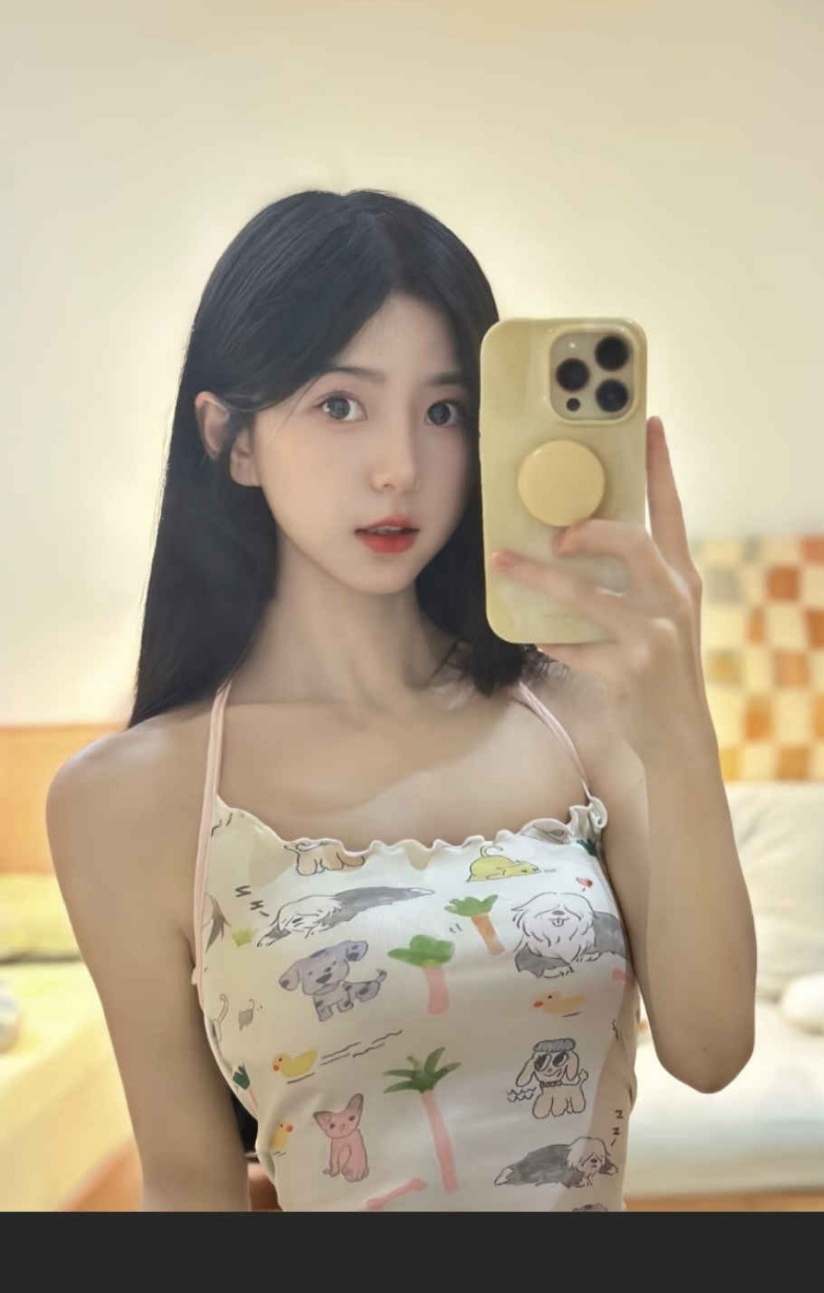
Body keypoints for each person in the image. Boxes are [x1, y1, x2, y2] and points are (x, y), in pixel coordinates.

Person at [45, 187, 674, 1211]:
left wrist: (680, 716)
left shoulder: (580, 718)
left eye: (444, 411)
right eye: (340, 405)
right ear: (231, 438)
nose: (400, 469)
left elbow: (712, 1046)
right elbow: (189, 1182)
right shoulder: (124, 799)